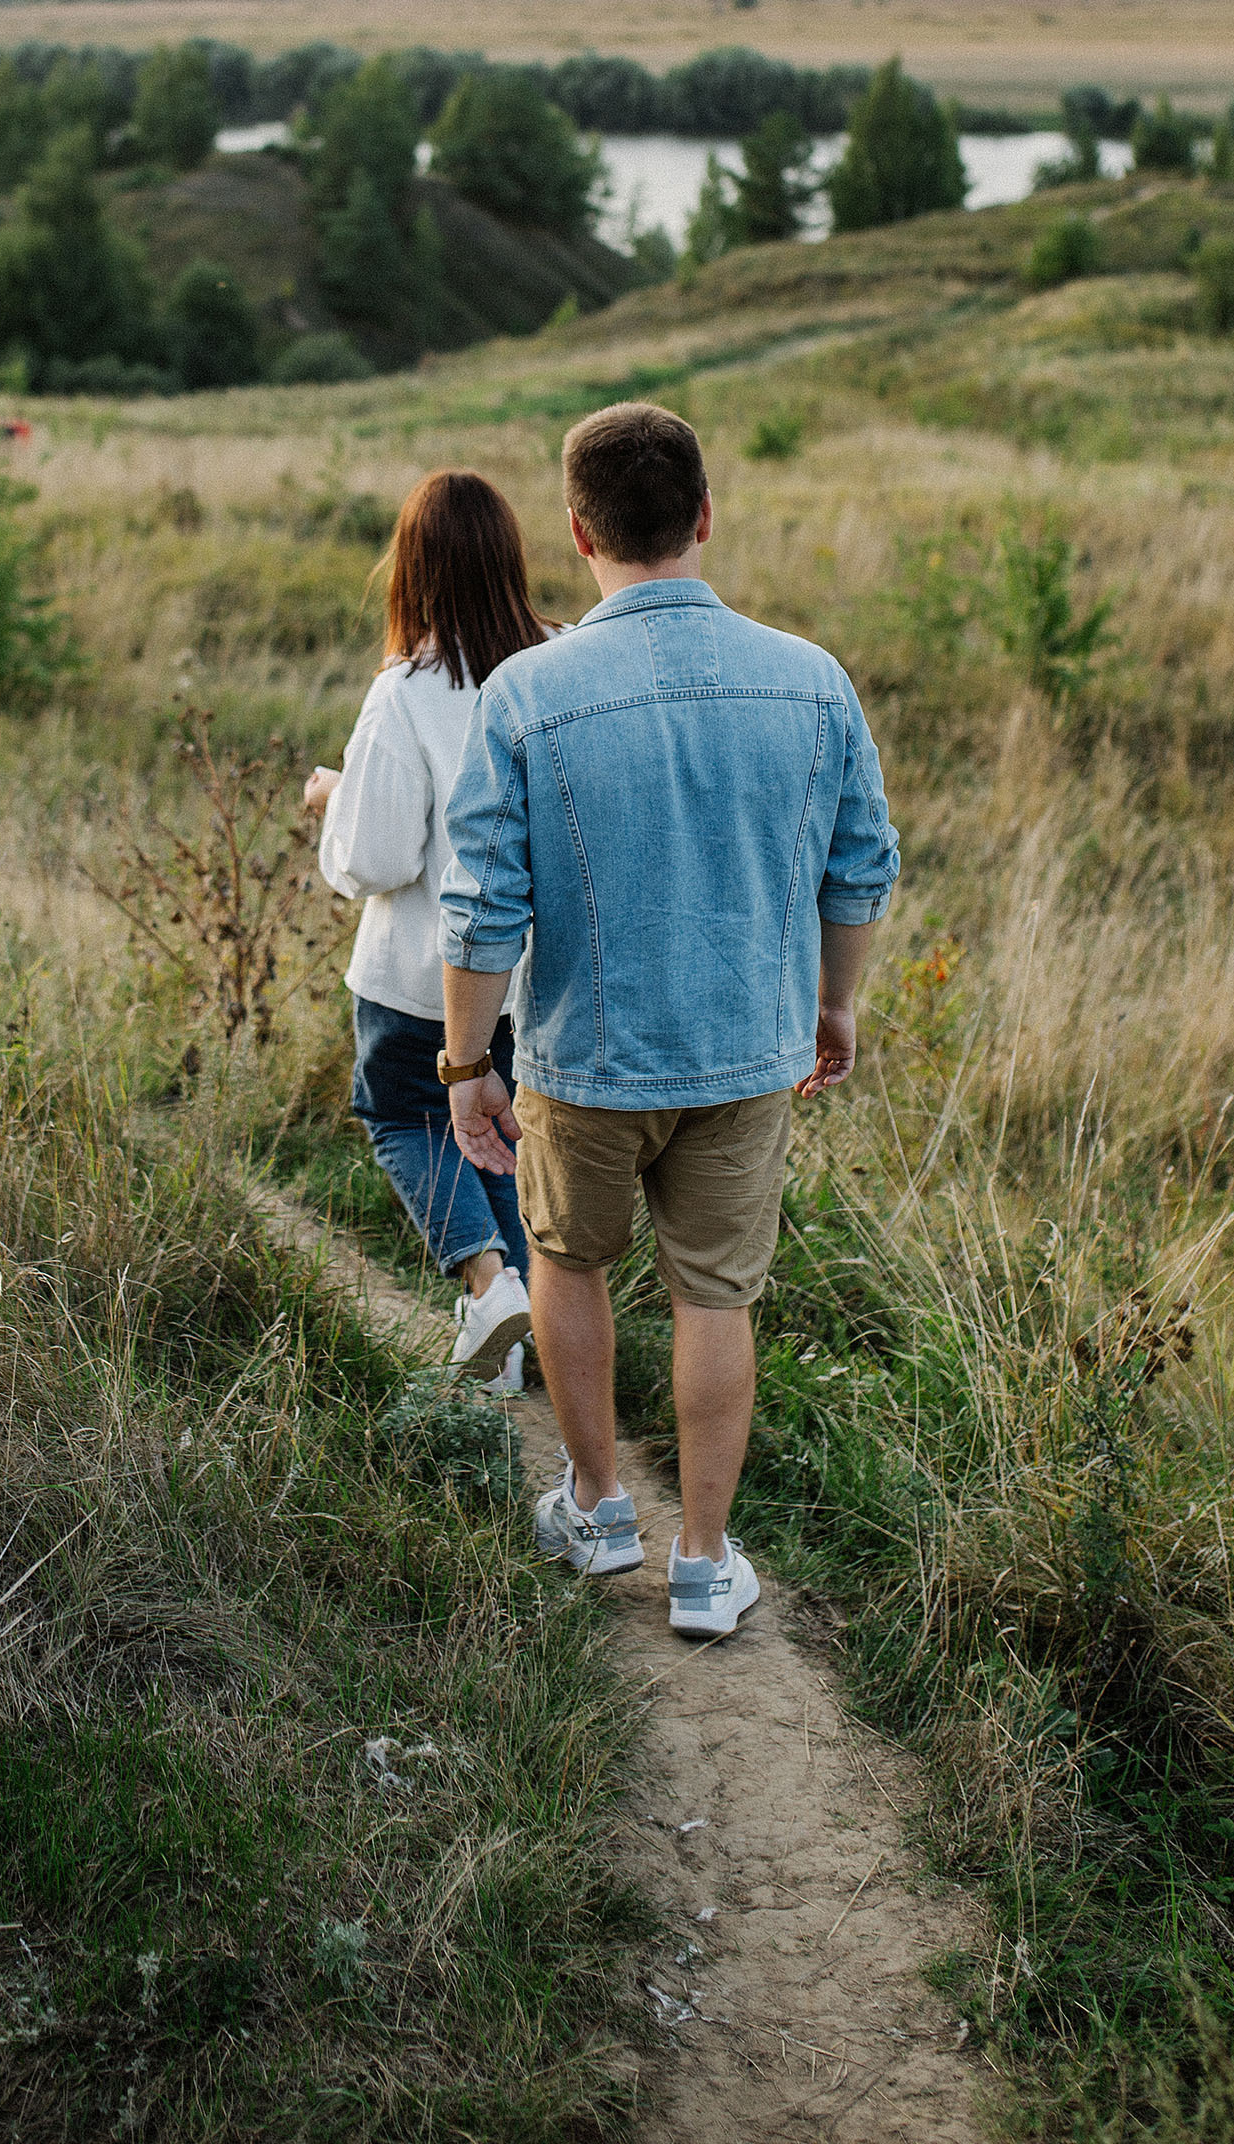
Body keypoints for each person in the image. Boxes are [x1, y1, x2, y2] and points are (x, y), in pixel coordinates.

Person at [436, 402, 898, 1636]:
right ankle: (701, 1563)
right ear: (702, 518)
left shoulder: (530, 695)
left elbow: (479, 912)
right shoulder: (809, 681)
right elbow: (860, 870)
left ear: (577, 534)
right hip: (749, 1053)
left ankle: (595, 1509)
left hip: (582, 1059)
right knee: (714, 1299)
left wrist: (464, 1062)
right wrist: (831, 1003)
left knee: (568, 1263)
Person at [304, 470, 555, 1388]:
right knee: (500, 1139)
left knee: (404, 1116)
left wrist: (334, 799)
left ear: (410, 570)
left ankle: (488, 1283)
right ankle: (515, 1343)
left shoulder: (407, 691)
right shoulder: (560, 664)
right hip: (533, 982)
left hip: (420, 977)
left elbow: (375, 859)